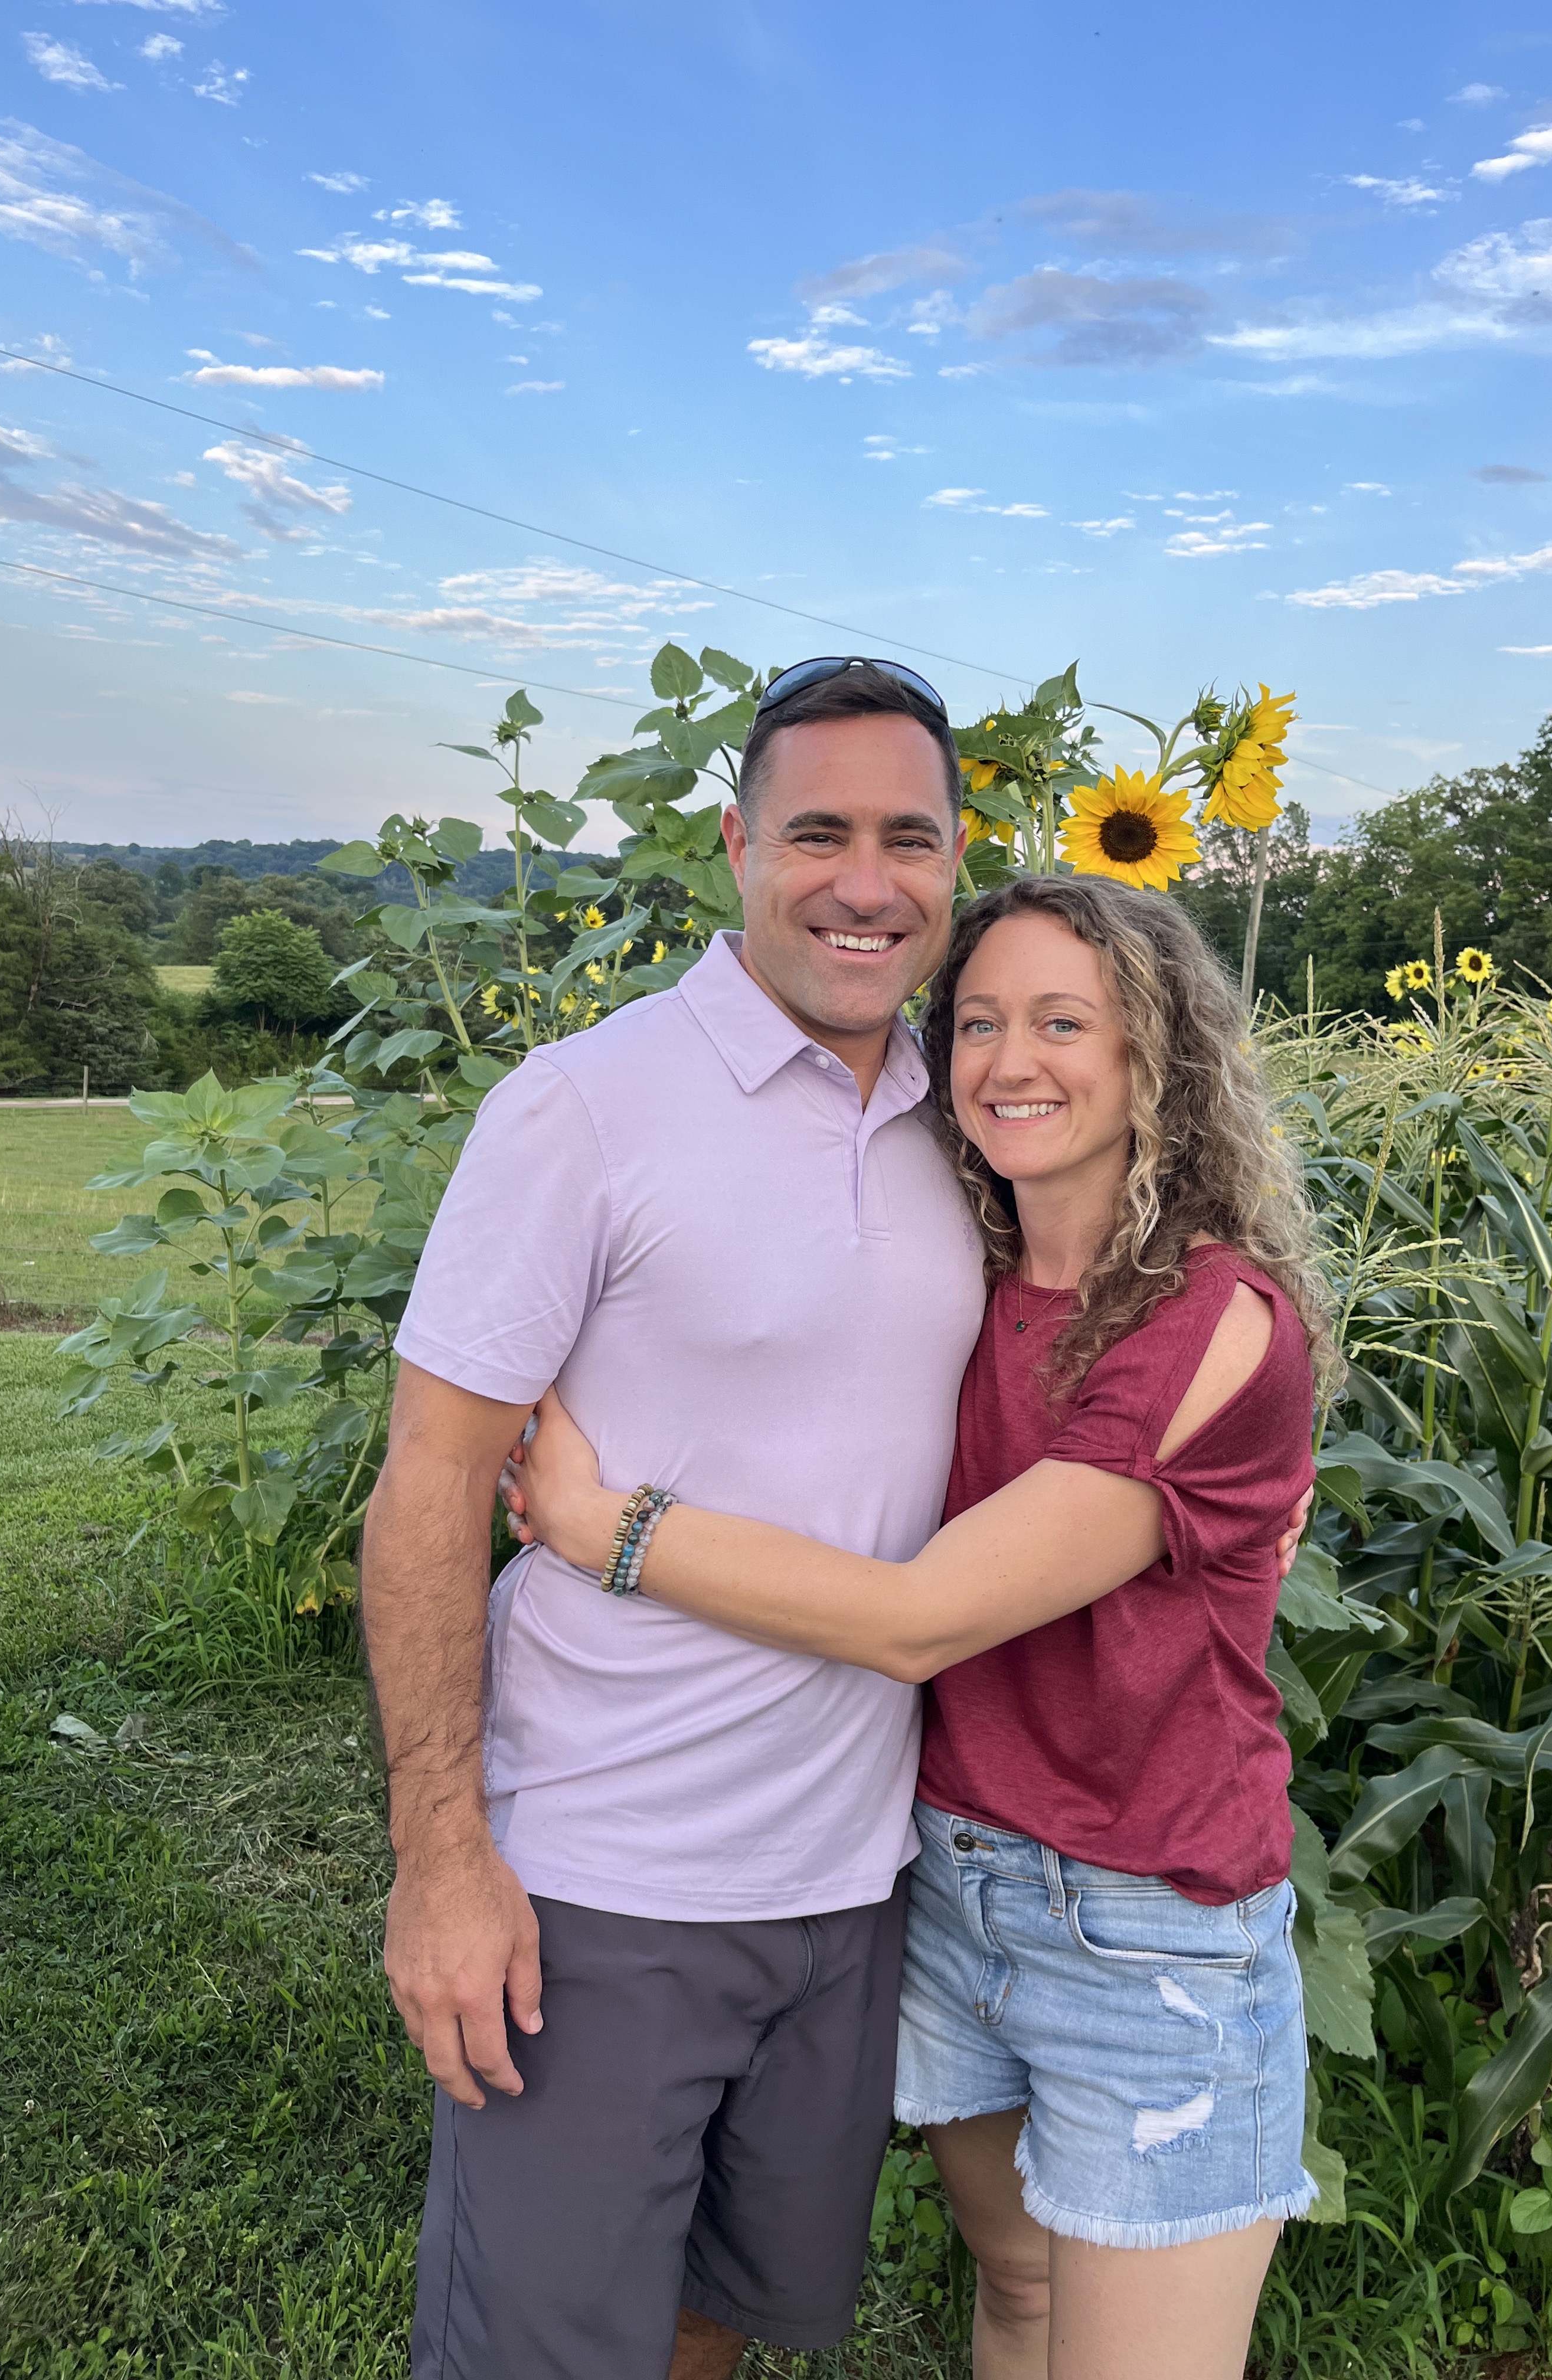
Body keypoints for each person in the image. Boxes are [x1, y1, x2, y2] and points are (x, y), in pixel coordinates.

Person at [507, 871, 1335, 2380]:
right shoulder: (966, 1269)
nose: (1011, 1061)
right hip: (949, 1881)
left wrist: (604, 1526)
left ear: (1155, 1052)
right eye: (978, 1023)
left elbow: (916, 1620)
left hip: (1148, 1922)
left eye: (1064, 1022)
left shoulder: (1212, 1320)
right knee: (1015, 2287)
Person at [363, 657, 991, 2380]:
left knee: (721, 2317)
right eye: (818, 833)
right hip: (603, 1882)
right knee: (549, 2351)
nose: (866, 882)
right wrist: (442, 1859)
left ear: (957, 859)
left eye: (910, 839)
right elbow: (429, 1488)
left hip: (853, 1875)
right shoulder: (584, 1110)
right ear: (736, 846)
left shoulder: (967, 1120)